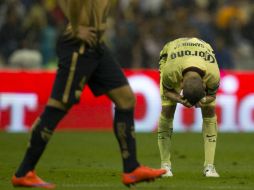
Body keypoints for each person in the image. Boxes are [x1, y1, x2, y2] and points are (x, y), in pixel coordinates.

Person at [11, 0, 166, 189]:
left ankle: (131, 168)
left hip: (97, 45)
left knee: (126, 99)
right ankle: (24, 172)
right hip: (80, 45)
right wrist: (76, 26)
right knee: (57, 106)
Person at [157, 37, 220, 177]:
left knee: (209, 110)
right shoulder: (170, 73)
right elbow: (168, 91)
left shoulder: (213, 74)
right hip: (170, 53)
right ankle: (165, 166)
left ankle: (209, 166)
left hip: (202, 49)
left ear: (204, 84)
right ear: (180, 84)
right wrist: (179, 99)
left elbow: (213, 95)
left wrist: (203, 99)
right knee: (167, 111)